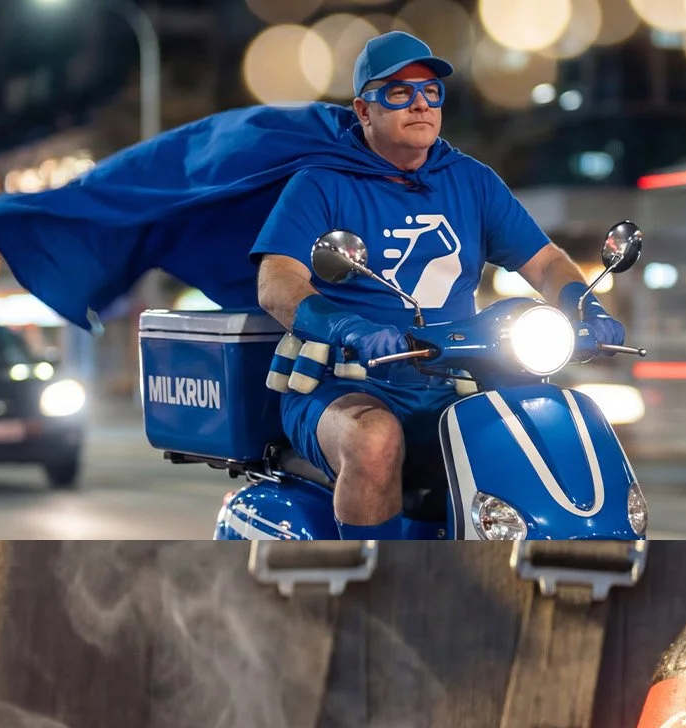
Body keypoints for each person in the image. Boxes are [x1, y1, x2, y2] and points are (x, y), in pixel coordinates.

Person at [251, 31, 625, 539]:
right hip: (345, 385)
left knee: (545, 422)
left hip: (455, 381)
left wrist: (587, 307)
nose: (420, 105)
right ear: (364, 110)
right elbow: (276, 281)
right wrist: (348, 327)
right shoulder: (322, 183)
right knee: (374, 439)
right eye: (399, 93)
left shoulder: (470, 180)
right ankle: (371, 591)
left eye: (431, 92)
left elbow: (546, 263)